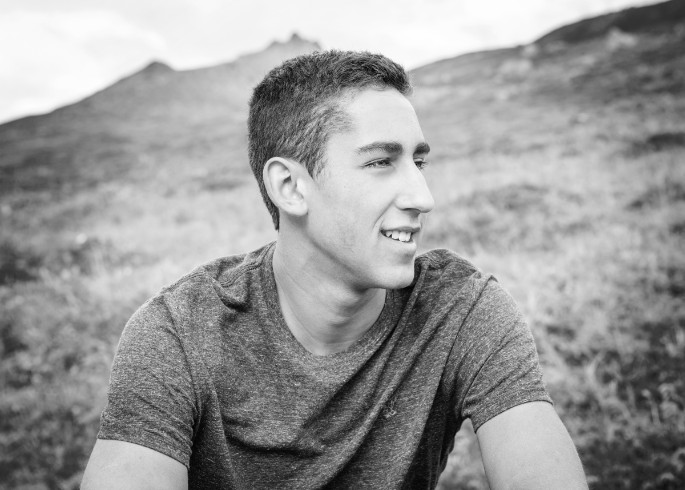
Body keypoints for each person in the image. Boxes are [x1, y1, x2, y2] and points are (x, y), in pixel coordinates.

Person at [81, 50, 587, 489]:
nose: (423, 197)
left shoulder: (460, 310)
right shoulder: (179, 333)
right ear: (290, 188)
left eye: (418, 162)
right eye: (380, 162)